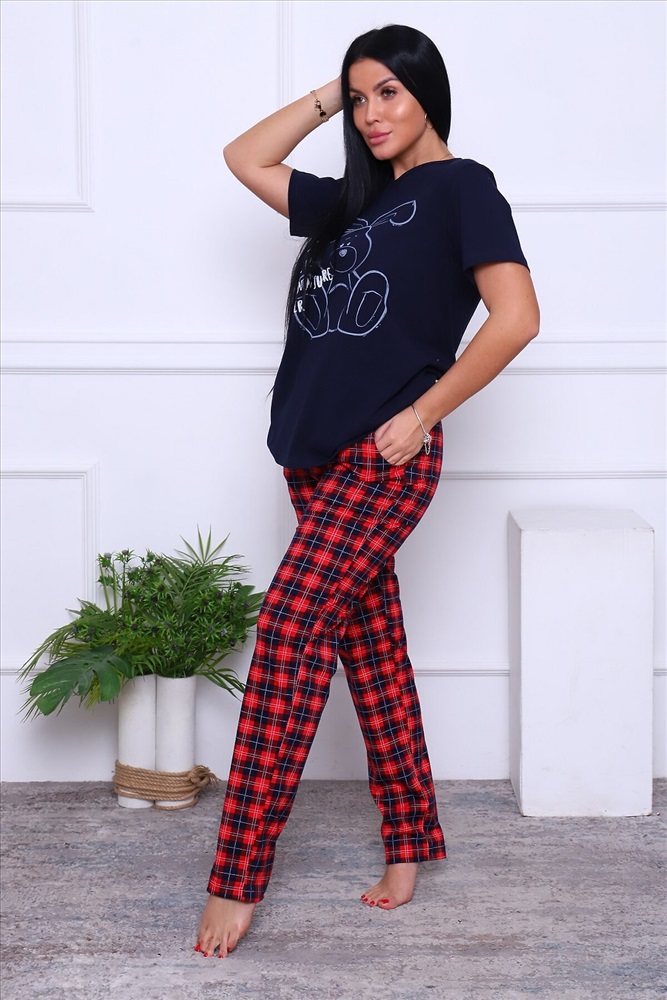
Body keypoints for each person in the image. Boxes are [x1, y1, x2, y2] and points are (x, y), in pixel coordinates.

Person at [196, 23, 539, 959]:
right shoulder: (351, 197)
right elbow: (243, 157)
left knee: (288, 629)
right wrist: (331, 96)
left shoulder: (463, 188)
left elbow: (516, 318)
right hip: (309, 457)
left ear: (429, 91)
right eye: (359, 98)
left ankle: (235, 877)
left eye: (389, 91)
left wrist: (422, 413)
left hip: (383, 458)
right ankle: (410, 843)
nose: (370, 112)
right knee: (371, 651)